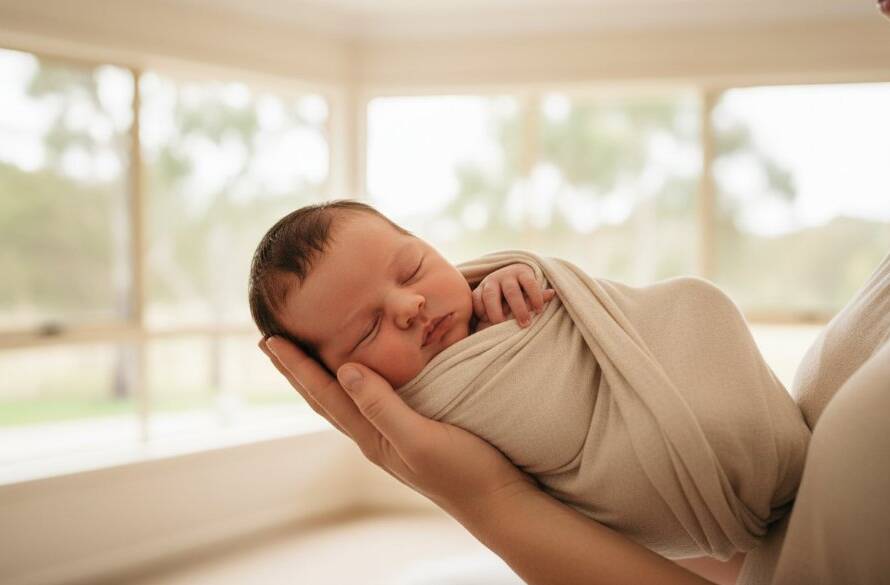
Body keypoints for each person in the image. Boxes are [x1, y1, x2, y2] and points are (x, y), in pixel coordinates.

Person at [250, 200, 811, 581]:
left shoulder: (489, 297)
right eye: (367, 328)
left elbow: (585, 315)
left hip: (677, 393)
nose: (409, 306)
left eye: (413, 269)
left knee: (693, 298)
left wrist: (519, 280)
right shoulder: (421, 416)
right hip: (655, 481)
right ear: (342, 376)